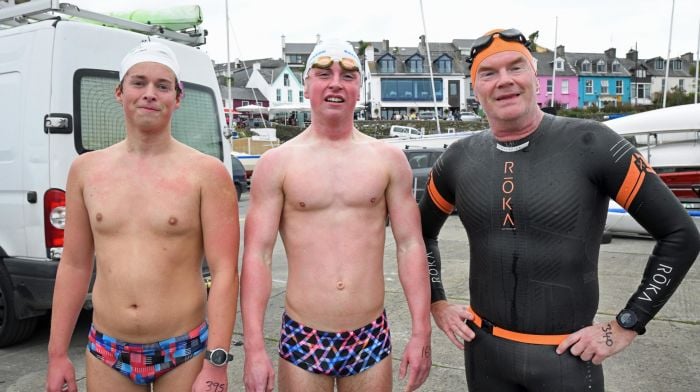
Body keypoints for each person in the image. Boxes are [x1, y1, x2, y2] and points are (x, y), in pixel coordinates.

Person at [420, 28, 700, 392]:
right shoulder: (457, 159)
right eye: (488, 73)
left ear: (536, 76)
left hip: (566, 361)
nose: (504, 81)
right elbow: (420, 234)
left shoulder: (593, 143)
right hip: (484, 354)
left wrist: (626, 324)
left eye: (515, 67)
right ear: (475, 89)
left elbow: (680, 235)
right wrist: (437, 302)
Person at [45, 41, 239, 392]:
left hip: (184, 349)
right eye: (139, 82)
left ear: (178, 98)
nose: (150, 93)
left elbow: (225, 271)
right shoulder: (86, 171)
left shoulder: (207, 174)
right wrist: (57, 353)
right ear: (119, 92)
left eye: (162, 85)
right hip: (108, 349)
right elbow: (74, 264)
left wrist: (217, 362)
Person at [241, 39, 432, 392]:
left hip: (369, 333)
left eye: (347, 75)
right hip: (303, 333)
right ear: (308, 83)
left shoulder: (387, 160)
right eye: (324, 74)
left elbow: (410, 246)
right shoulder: (277, 163)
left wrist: (422, 332)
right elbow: (257, 255)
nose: (335, 83)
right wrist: (254, 348)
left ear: (358, 88)